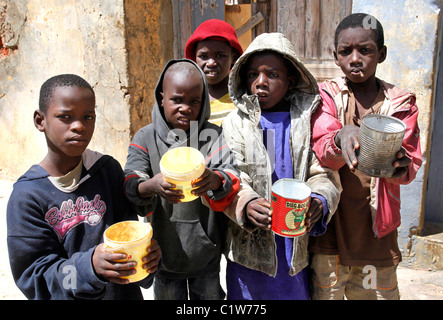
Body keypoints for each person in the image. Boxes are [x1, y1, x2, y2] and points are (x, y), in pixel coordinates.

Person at [7, 74, 161, 300]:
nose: (79, 126)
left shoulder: (107, 171)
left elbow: (127, 232)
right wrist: (90, 268)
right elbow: (36, 279)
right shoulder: (27, 196)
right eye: (65, 117)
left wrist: (145, 257)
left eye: (88, 116)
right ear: (40, 121)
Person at [309, 13, 422, 300]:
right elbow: (322, 148)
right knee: (327, 293)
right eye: (346, 51)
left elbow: (410, 164)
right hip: (331, 230)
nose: (355, 58)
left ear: (381, 54)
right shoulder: (326, 97)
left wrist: (401, 167)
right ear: (335, 56)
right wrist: (340, 135)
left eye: (366, 50)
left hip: (376, 234)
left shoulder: (400, 103)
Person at [221, 32, 341, 300]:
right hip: (248, 248)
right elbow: (230, 174)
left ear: (291, 80)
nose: (260, 83)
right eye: (252, 75)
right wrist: (246, 203)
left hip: (293, 246)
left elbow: (322, 172)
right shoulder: (235, 123)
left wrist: (320, 200)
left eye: (272, 75)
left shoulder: (305, 122)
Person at [123, 59, 240, 300]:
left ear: (203, 102)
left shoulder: (213, 136)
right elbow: (131, 179)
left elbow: (229, 172)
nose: (185, 108)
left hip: (205, 256)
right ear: (162, 97)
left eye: (194, 101)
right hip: (163, 256)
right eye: (177, 99)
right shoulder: (145, 137)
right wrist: (151, 185)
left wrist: (213, 179)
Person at [185, 19, 243, 125]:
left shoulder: (243, 101)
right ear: (195, 58)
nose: (211, 63)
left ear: (233, 58)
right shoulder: (187, 99)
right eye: (203, 56)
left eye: (220, 55)